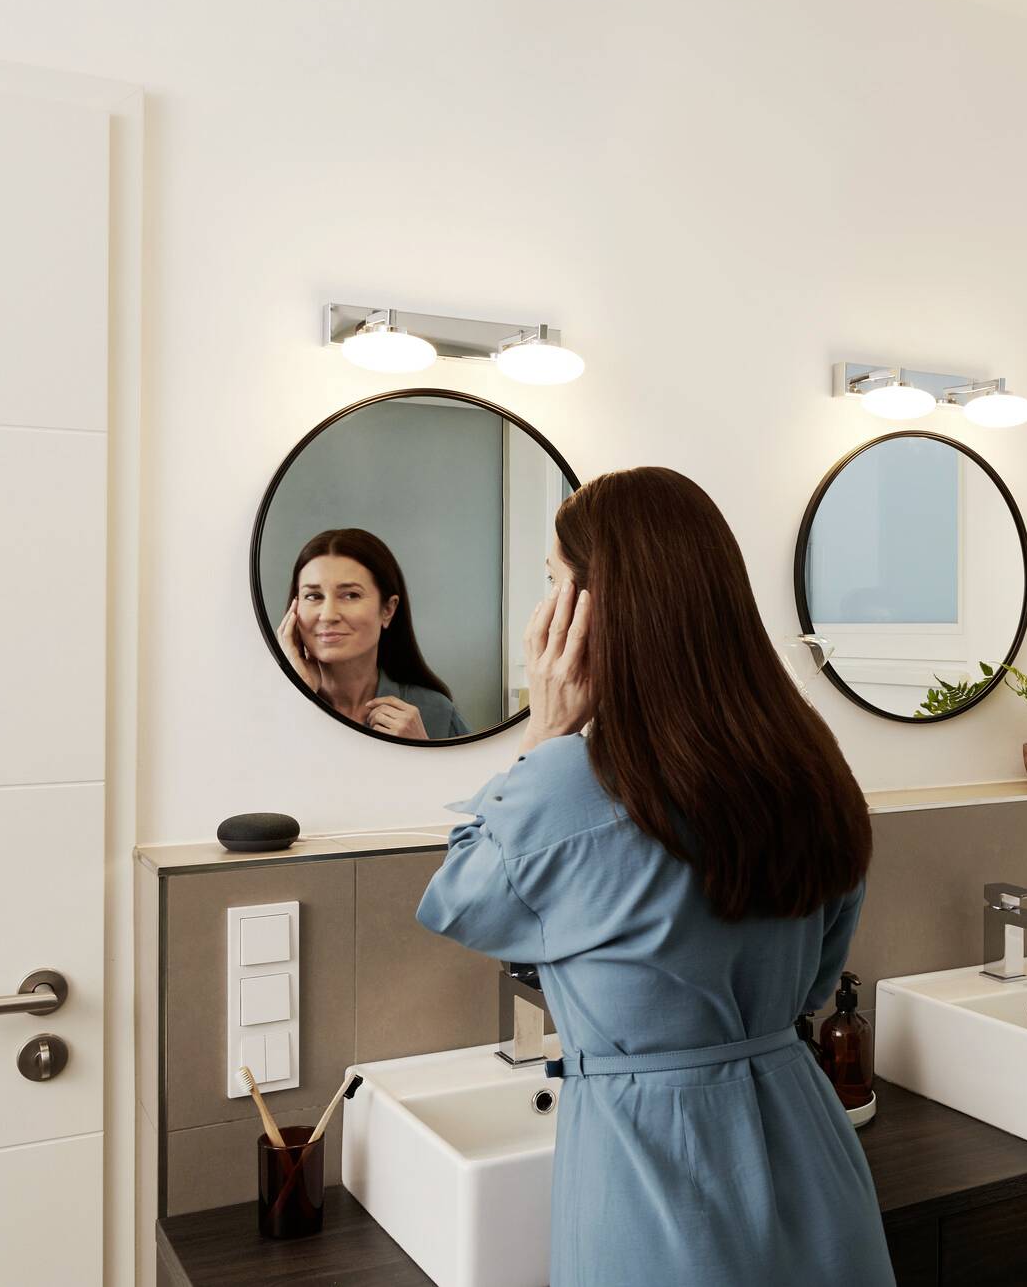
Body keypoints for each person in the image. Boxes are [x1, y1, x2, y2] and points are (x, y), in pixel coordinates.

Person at [414, 467, 895, 1286]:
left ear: (594, 610)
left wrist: (543, 732)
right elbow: (817, 980)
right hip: (812, 1153)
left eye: (554, 584)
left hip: (656, 1175)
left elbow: (460, 900)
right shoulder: (808, 763)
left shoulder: (569, 782)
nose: (542, 614)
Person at [277, 528, 472, 739]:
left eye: (351, 595)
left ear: (388, 609)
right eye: (313, 596)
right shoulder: (270, 710)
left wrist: (420, 749)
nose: (328, 615)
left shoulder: (437, 712)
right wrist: (298, 695)